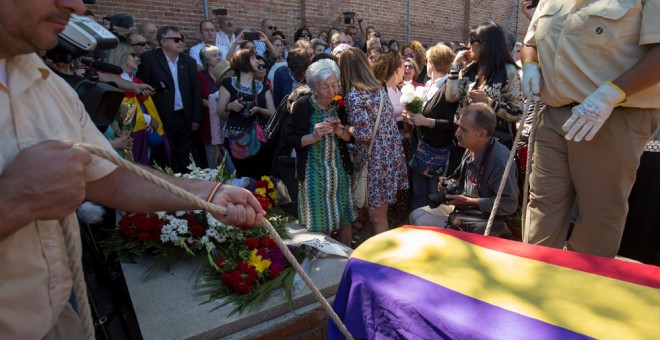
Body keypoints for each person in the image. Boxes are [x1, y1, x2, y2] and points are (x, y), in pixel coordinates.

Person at [0, 0, 265, 338]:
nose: (75, 5)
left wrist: (211, 193)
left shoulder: (47, 85)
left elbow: (112, 179)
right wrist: (14, 201)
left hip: (57, 317)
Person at [521, 0, 660, 257]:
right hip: (554, 113)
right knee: (542, 205)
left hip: (614, 115)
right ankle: (536, 278)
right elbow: (532, 42)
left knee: (599, 214)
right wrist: (530, 66)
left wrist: (611, 94)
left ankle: (581, 287)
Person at [409, 103, 519, 234]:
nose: (457, 133)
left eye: (463, 129)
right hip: (466, 210)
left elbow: (509, 204)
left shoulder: (499, 160)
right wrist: (449, 183)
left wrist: (470, 201)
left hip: (483, 220)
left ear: (482, 134)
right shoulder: (472, 148)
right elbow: (461, 179)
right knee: (415, 214)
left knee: (421, 223)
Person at [284, 59, 356, 246]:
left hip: (339, 171)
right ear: (314, 88)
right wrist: (314, 136)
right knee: (321, 222)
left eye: (335, 85)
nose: (332, 91)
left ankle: (346, 260)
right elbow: (289, 138)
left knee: (345, 218)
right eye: (325, 87)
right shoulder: (302, 106)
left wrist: (340, 131)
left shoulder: (340, 105)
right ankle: (325, 265)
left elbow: (351, 137)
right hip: (313, 174)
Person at [338, 47, 408, 234]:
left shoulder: (353, 95)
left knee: (377, 218)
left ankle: (383, 260)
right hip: (390, 157)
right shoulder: (379, 89)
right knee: (377, 214)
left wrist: (346, 128)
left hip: (375, 162)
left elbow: (365, 134)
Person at [446, 21, 524, 148]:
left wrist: (488, 102)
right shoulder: (469, 69)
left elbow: (517, 111)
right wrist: (454, 66)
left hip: (493, 144)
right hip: (463, 141)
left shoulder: (508, 71)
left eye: (471, 42)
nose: (468, 46)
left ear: (485, 44)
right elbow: (451, 96)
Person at [137, 26, 203, 173]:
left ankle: (189, 185)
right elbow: (142, 87)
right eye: (176, 39)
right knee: (166, 154)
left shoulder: (189, 62)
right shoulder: (149, 59)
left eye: (182, 39)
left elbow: (196, 90)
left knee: (187, 155)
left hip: (185, 116)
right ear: (163, 42)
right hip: (161, 116)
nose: (181, 42)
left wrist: (196, 118)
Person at [407, 43, 460, 210]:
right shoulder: (428, 83)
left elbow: (453, 123)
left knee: (432, 194)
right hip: (420, 146)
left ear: (432, 63)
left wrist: (426, 122)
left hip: (438, 150)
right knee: (417, 192)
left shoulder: (449, 88)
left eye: (427, 60)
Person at [106, 43, 170, 166]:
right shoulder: (114, 81)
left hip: (144, 130)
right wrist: (147, 119)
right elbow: (121, 109)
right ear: (122, 56)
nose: (137, 58)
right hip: (129, 133)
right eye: (133, 55)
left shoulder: (135, 81)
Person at [216, 48, 275, 178]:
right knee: (243, 176)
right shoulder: (228, 83)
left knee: (261, 176)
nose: (257, 61)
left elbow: (272, 113)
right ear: (243, 61)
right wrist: (230, 106)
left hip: (260, 140)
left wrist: (259, 110)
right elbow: (220, 111)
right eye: (253, 58)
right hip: (236, 140)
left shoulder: (262, 86)